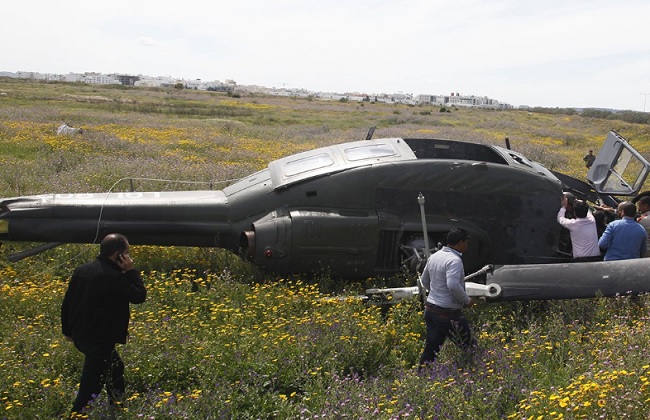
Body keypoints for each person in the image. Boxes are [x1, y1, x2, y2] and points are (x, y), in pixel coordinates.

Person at [61, 233, 147, 415]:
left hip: (82, 335)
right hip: (99, 341)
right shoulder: (114, 276)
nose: (129, 257)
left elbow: (68, 301)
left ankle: (117, 408)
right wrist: (131, 271)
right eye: (127, 253)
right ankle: (77, 416)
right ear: (118, 255)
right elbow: (139, 296)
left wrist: (67, 330)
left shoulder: (82, 269)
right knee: (89, 389)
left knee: (116, 368)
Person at [419, 228, 476, 368]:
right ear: (460, 243)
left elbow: (424, 280)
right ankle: (475, 371)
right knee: (469, 346)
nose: (467, 246)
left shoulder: (435, 256)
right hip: (447, 314)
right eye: (466, 242)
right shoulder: (454, 260)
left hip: (431, 310)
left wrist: (437, 293)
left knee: (431, 348)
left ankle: (423, 373)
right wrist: (467, 300)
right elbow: (453, 285)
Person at [556, 197, 601, 262]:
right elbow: (588, 211)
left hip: (581, 260)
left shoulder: (572, 224)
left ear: (574, 213)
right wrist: (581, 203)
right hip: (596, 259)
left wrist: (563, 207)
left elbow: (560, 218)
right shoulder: (592, 220)